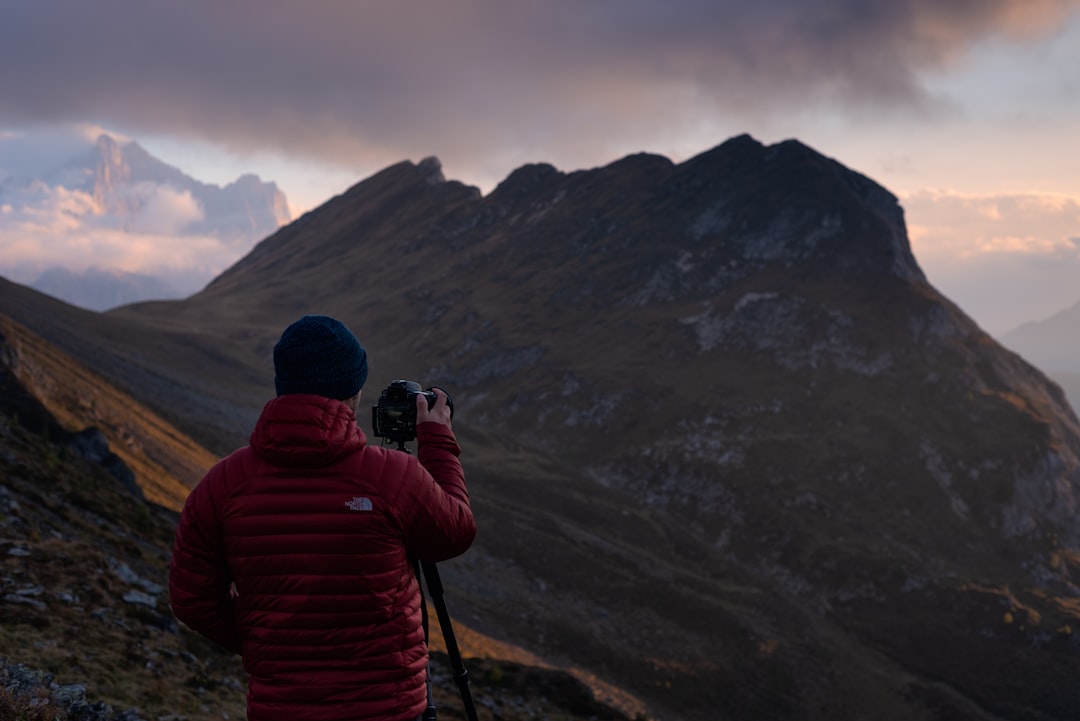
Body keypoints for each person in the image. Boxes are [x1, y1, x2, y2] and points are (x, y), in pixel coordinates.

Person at [169, 314, 476, 721]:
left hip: (280, 710)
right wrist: (436, 442)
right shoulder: (393, 476)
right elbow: (455, 532)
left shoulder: (223, 484)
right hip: (388, 711)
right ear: (352, 390)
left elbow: (191, 599)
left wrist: (266, 641)